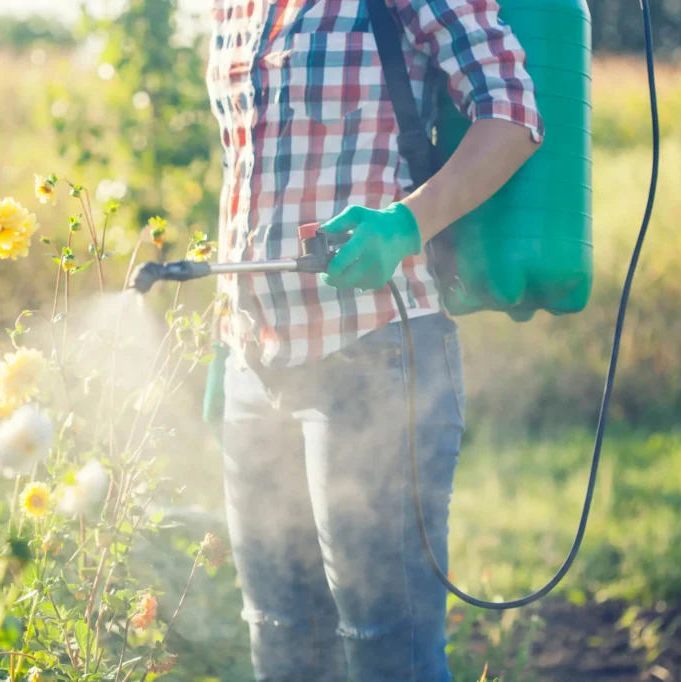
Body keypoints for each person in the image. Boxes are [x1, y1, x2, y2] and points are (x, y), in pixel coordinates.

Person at [206, 1, 543, 679]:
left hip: (376, 356)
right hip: (254, 363)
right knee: (282, 643)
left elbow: (513, 114)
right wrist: (225, 344)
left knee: (387, 652)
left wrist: (405, 226)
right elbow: (247, 169)